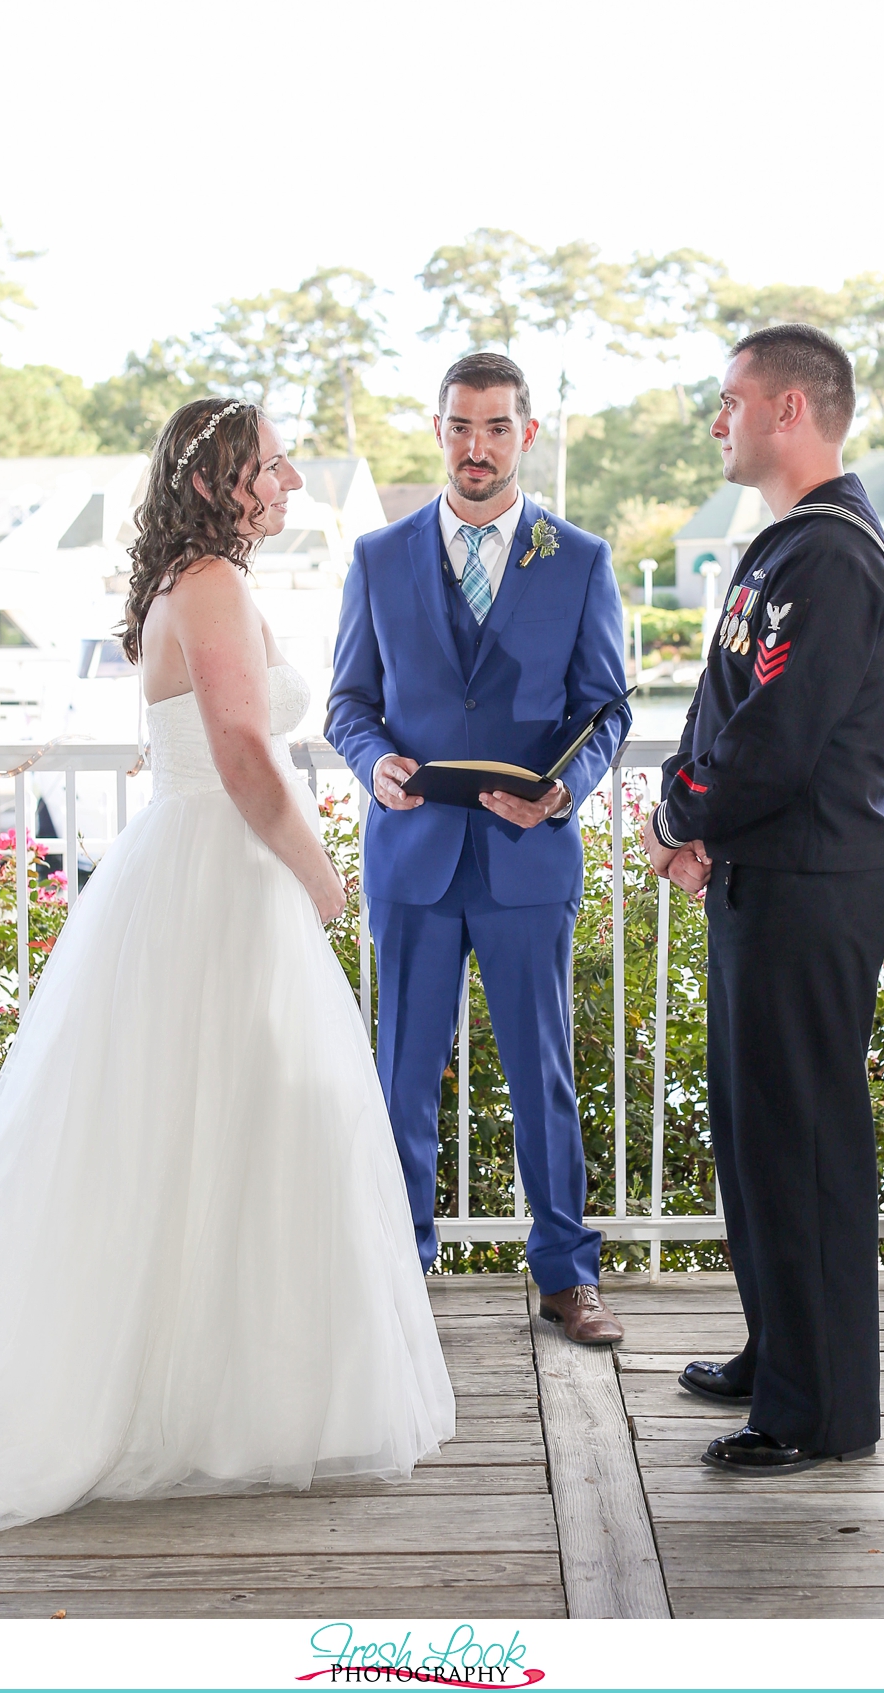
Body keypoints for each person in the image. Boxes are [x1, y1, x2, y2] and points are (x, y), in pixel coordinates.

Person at [0, 399, 454, 1550]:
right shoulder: (208, 585)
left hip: (207, 870)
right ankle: (210, 1397)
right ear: (221, 483)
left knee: (228, 1125)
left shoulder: (191, 576)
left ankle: (226, 1389)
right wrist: (321, 874)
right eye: (272, 467)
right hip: (222, 872)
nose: (294, 483)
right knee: (247, 1113)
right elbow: (240, 752)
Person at [642, 324, 884, 1476]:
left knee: (802, 1143)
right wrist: (681, 811)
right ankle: (779, 1344)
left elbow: (781, 741)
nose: (720, 420)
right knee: (754, 1133)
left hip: (812, 882)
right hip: (767, 874)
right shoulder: (782, 548)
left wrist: (685, 819)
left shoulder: (833, 558)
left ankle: (819, 1409)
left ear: (791, 410)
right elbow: (720, 706)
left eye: (731, 400)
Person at [326, 352, 630, 1346]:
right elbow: (349, 702)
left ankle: (566, 1274)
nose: (476, 446)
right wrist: (372, 764)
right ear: (438, 429)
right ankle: (400, 1262)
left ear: (526, 435)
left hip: (526, 860)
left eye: (497, 426)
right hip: (412, 852)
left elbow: (608, 708)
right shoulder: (377, 556)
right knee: (401, 1073)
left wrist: (565, 791)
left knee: (542, 1070)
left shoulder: (580, 558)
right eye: (460, 425)